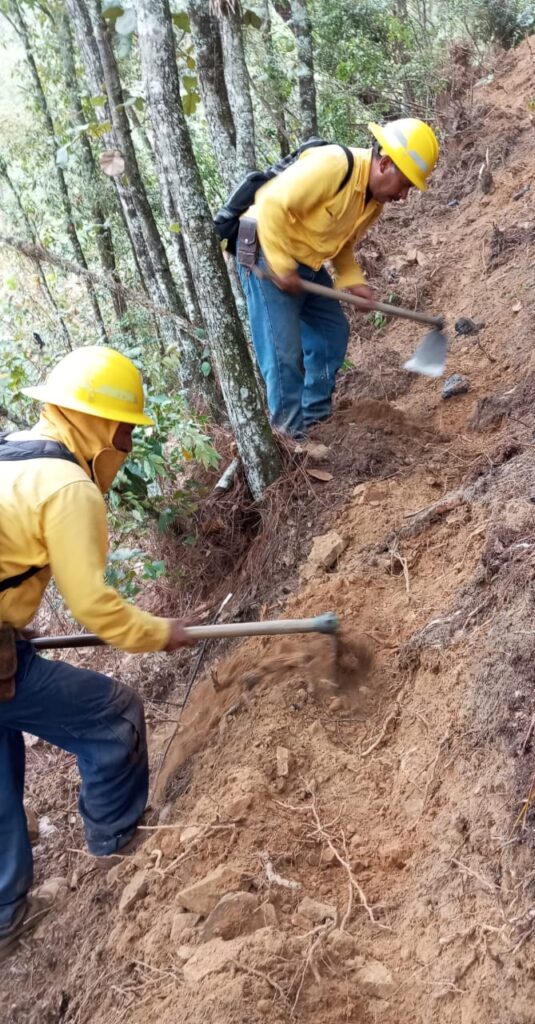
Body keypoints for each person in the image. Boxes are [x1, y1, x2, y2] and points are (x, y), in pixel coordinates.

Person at [0, 346, 195, 957]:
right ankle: (118, 845)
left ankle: (5, 909)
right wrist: (158, 632)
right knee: (112, 714)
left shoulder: (11, 453)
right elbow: (94, 606)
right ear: (102, 424)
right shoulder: (66, 486)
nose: (126, 444)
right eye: (125, 432)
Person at [237, 117, 440, 438]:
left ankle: (316, 416)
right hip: (266, 250)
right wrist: (280, 265)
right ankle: (291, 438)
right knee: (283, 354)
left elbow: (341, 244)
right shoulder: (334, 166)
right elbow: (271, 202)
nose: (404, 196)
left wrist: (352, 280)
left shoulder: (373, 203)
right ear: (385, 163)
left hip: (305, 260)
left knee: (331, 332)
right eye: (405, 185)